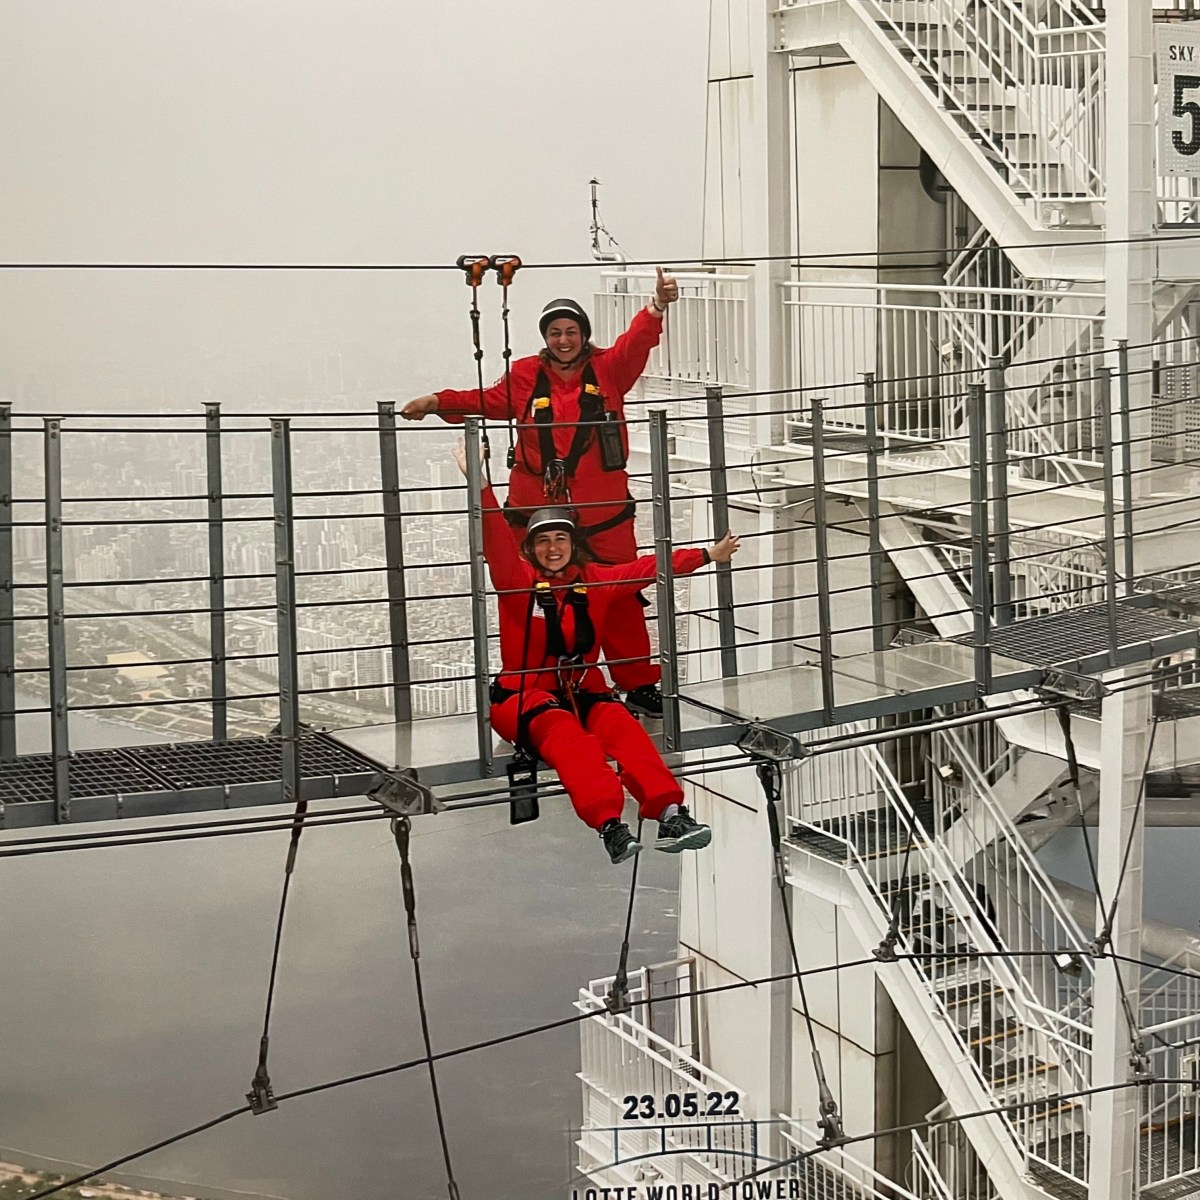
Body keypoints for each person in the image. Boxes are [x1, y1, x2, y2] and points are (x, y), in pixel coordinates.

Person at [403, 267, 681, 717]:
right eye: (555, 333)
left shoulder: (609, 369)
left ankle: (637, 680)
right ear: (545, 337)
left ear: (584, 336)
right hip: (540, 514)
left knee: (621, 593)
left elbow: (636, 343)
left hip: (601, 512)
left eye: (571, 332)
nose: (564, 340)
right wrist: (438, 402)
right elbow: (486, 401)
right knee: (539, 599)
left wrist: (657, 307)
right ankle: (553, 682)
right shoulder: (527, 376)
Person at [452, 440, 740, 864]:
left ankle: (671, 813)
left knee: (626, 732)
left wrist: (706, 555)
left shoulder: (595, 582)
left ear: (572, 544)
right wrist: (477, 482)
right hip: (525, 698)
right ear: (531, 549)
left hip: (586, 692)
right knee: (572, 743)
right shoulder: (519, 584)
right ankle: (610, 825)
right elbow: (495, 538)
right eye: (544, 541)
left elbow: (646, 568)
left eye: (561, 539)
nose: (554, 548)